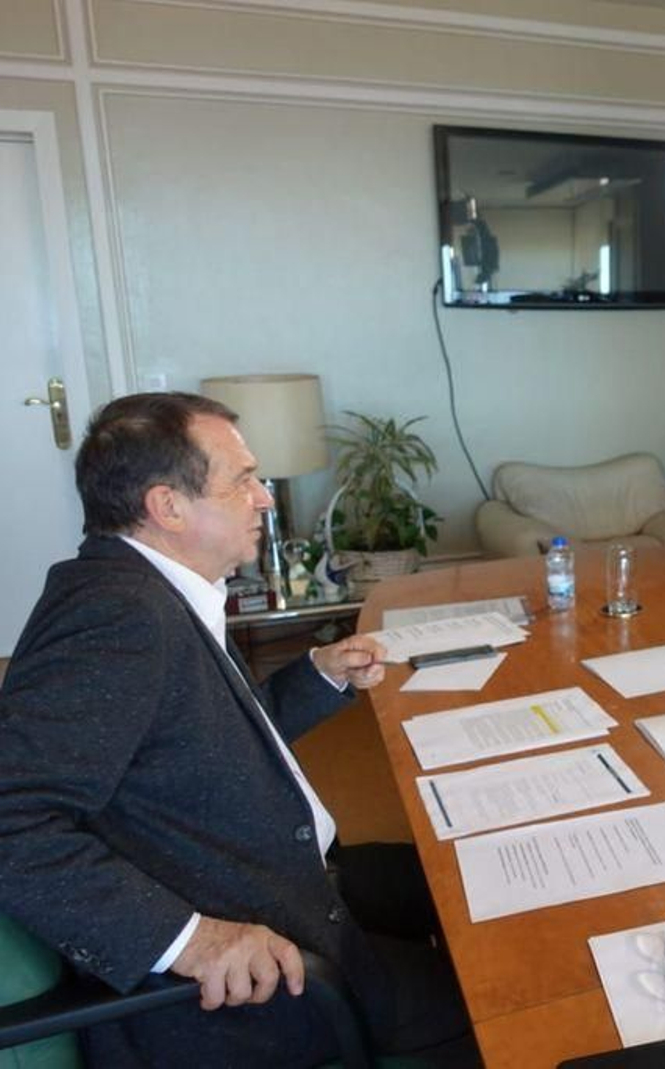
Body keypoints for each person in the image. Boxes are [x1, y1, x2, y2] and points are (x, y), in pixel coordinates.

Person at [0, 393, 473, 1067]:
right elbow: (10, 818)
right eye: (242, 481)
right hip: (245, 990)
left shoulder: (148, 586)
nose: (265, 499)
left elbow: (199, 743)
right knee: (497, 988)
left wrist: (317, 675)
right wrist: (191, 939)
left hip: (286, 877)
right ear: (168, 506)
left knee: (462, 872)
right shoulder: (117, 620)